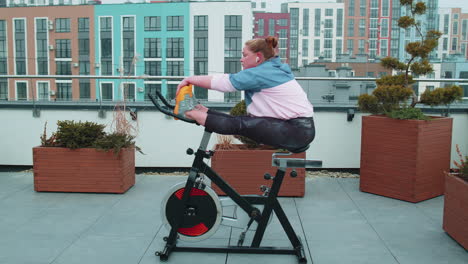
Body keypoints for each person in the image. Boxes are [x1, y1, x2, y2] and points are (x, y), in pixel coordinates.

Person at [176, 36, 315, 153]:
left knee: (239, 124)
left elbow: (226, 83)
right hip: (297, 129)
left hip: (295, 131)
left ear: (258, 57)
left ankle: (187, 111)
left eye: (245, 55)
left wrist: (189, 79)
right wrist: (208, 112)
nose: (241, 59)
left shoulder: (263, 72)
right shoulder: (271, 69)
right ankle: (198, 112)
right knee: (239, 122)